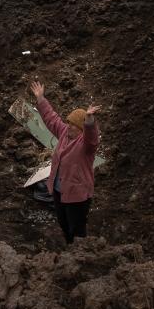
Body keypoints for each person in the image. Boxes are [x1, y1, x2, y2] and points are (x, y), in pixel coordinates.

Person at [29, 80, 101, 245]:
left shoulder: (86, 145)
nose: (68, 127)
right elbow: (51, 118)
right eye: (68, 123)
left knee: (77, 228)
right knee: (63, 223)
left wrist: (89, 120)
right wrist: (41, 98)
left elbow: (92, 136)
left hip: (77, 196)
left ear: (81, 128)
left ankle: (79, 253)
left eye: (73, 125)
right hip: (58, 191)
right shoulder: (63, 133)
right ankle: (69, 248)